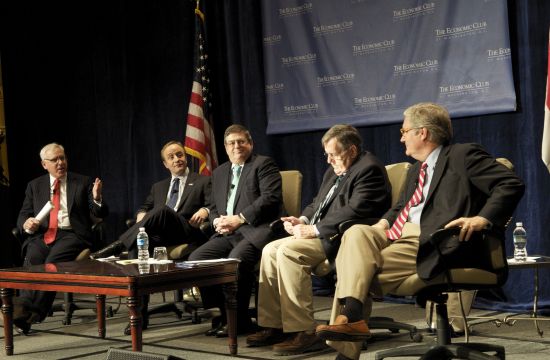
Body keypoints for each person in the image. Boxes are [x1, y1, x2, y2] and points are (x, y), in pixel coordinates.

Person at [314, 102, 525, 360]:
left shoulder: (462, 155)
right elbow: (402, 207)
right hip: (398, 237)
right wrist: (383, 223)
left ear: (422, 133)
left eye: (404, 131)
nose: (401, 137)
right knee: (357, 232)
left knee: (356, 268)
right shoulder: (416, 169)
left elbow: (509, 184)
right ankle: (353, 316)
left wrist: (482, 218)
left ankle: (347, 344)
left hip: (435, 240)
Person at [246, 124, 392, 356]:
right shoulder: (334, 170)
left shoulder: (369, 169)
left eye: (334, 154)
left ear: (352, 151)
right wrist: (302, 219)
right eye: (327, 155)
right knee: (270, 249)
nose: (329, 160)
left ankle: (304, 331)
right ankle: (275, 325)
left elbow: (355, 211)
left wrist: (313, 229)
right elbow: (317, 202)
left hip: (344, 237)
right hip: (322, 231)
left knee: (288, 252)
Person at [188, 124, 285, 337]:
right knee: (197, 260)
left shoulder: (263, 164)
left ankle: (239, 321)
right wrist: (216, 222)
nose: (236, 146)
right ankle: (224, 314)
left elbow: (270, 198)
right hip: (227, 233)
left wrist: (239, 219)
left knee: (235, 262)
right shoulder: (220, 172)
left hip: (256, 230)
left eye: (241, 141)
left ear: (250, 144)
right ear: (225, 147)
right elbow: (213, 206)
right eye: (231, 143)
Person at [15, 143, 109, 334]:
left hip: (72, 235)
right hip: (44, 235)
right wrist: (27, 224)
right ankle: (24, 307)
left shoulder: (82, 182)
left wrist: (97, 198)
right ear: (44, 164)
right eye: (54, 160)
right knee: (32, 260)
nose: (60, 163)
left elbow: (100, 212)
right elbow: (23, 216)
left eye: (62, 158)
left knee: (51, 263)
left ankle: (33, 313)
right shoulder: (35, 186)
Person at [89, 141, 211, 259]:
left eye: (179, 155)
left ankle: (118, 246)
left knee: (162, 209)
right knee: (139, 238)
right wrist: (141, 214)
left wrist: (205, 210)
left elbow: (215, 204)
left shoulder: (202, 181)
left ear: (185, 157)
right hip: (161, 234)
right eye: (171, 157)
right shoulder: (158, 187)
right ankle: (134, 276)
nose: (176, 159)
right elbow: (144, 207)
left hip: (186, 230)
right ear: (165, 164)